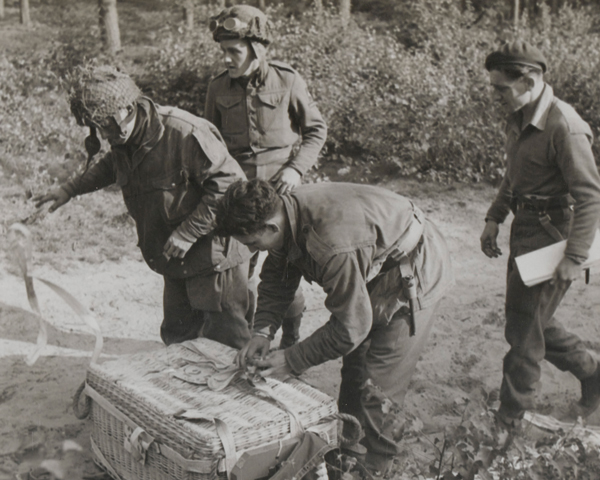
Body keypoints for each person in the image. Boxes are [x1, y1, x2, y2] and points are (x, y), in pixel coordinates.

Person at [215, 179, 453, 475]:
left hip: (411, 272)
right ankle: (348, 462)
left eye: (252, 244)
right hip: (369, 267)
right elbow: (277, 276)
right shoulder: (283, 213)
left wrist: (291, 359)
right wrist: (263, 331)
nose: (253, 250)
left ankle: (373, 470)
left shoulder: (330, 243)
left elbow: (350, 327)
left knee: (378, 395)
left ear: (271, 228)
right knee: (354, 377)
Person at [34, 64, 252, 349]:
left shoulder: (184, 133)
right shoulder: (124, 137)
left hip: (213, 257)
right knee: (177, 339)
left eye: (107, 124)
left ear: (128, 108)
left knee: (227, 341)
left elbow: (230, 187)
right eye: (97, 127)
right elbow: (111, 165)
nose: (104, 134)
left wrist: (188, 232)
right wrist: (69, 190)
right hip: (173, 256)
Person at [480, 40, 600, 429]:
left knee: (524, 338)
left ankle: (509, 422)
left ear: (529, 79)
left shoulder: (565, 126)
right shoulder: (519, 115)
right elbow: (515, 173)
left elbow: (590, 198)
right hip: (525, 228)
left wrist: (574, 256)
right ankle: (593, 371)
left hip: (554, 234)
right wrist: (495, 216)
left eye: (501, 87)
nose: (496, 95)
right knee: (528, 321)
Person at [205, 5, 328, 349]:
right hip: (239, 197)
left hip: (282, 195)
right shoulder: (217, 88)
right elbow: (211, 143)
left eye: (235, 51)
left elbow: (316, 131)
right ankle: (247, 342)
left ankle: (289, 337)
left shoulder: (287, 80)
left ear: (257, 49)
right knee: (237, 278)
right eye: (224, 51)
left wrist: (296, 168)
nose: (228, 59)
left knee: (284, 272)